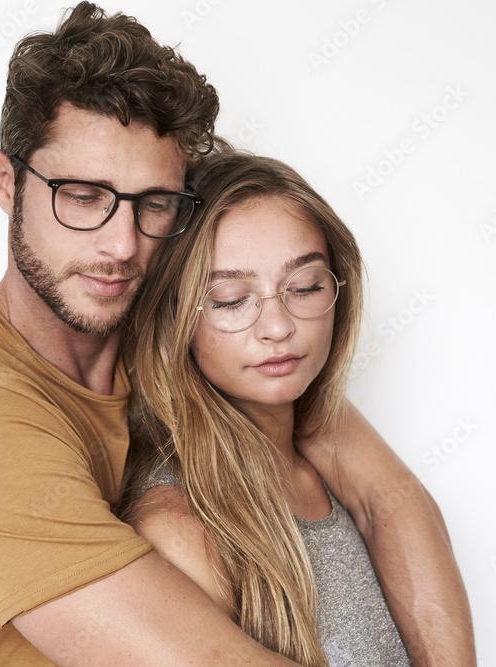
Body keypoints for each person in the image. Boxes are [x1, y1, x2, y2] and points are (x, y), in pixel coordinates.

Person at [0, 3, 474, 665]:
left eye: (153, 203)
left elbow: (387, 498)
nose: (121, 244)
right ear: (7, 181)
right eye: (83, 195)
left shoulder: (181, 328)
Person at [118, 149, 440, 665]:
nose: (278, 326)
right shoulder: (180, 529)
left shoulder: (329, 458)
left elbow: (397, 506)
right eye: (229, 299)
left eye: (305, 286)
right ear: (174, 317)